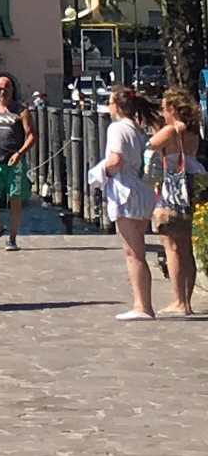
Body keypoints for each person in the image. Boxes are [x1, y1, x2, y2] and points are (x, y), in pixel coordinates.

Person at [96, 85, 159, 319]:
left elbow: (115, 159)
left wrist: (100, 172)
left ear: (118, 107)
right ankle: (143, 303)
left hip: (126, 192)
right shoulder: (139, 130)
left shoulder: (117, 128)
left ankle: (142, 305)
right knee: (138, 247)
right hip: (142, 191)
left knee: (133, 251)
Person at [148, 90, 201, 318]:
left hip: (173, 191)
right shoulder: (192, 132)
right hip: (191, 187)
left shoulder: (171, 130)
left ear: (172, 109)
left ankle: (179, 300)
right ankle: (187, 300)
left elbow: (151, 145)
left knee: (172, 247)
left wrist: (156, 127)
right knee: (187, 248)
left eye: (164, 107)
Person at [0, 73, 36, 251]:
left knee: (15, 200)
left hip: (14, 160)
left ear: (12, 89)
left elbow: (31, 135)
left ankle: (12, 238)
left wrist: (20, 153)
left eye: (6, 88)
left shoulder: (21, 110)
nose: (3, 92)